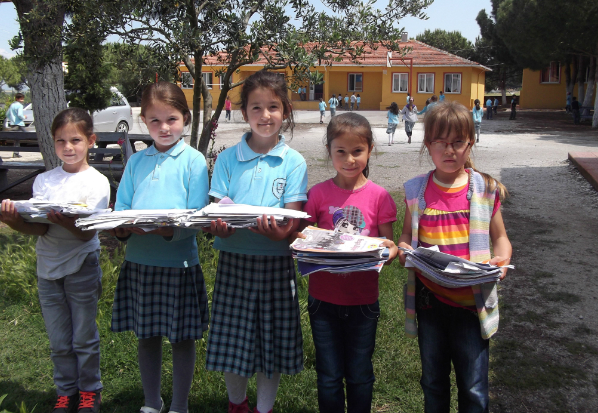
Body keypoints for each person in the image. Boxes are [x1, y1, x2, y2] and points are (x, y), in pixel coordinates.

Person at [397, 101, 512, 413]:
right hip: (430, 303)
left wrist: (499, 263)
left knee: (474, 387)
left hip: (471, 307)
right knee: (433, 381)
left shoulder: (485, 189)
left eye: (457, 142)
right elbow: (406, 236)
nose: (449, 151)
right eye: (440, 143)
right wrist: (405, 251)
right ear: (427, 145)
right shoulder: (416, 191)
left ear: (470, 143)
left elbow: (500, 239)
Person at [204, 70, 308, 413]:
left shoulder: (293, 162)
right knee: (233, 340)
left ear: (286, 111)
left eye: (273, 107)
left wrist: (283, 233)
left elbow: (293, 219)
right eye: (256, 108)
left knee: (271, 343)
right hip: (234, 259)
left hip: (275, 264)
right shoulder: (228, 158)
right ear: (243, 112)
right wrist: (218, 226)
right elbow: (217, 208)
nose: (265, 116)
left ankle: (264, 408)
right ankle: (237, 404)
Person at [0, 108, 110, 413]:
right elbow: (38, 228)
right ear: (53, 143)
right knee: (59, 339)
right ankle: (65, 390)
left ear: (91, 140)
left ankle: (89, 390)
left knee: (83, 337)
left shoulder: (97, 182)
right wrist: (11, 221)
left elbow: (87, 235)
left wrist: (65, 221)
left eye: (75, 140)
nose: (68, 147)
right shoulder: (44, 181)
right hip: (47, 267)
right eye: (61, 141)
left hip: (82, 264)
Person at [110, 81, 210, 413]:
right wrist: (122, 228)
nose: (163, 127)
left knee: (182, 338)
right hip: (139, 262)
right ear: (144, 121)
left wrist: (167, 229)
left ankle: (180, 404)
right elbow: (122, 207)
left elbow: (196, 216)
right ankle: (152, 402)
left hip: (178, 263)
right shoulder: (136, 162)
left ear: (185, 118)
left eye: (171, 119)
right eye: (154, 120)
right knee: (146, 335)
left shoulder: (194, 161)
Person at [299, 113, 399, 413]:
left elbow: (390, 244)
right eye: (340, 151)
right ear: (329, 150)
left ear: (370, 150)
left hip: (363, 301)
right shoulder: (317, 194)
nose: (349, 159)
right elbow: (305, 236)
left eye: (357, 151)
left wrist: (387, 252)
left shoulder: (380, 197)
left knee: (359, 374)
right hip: (322, 300)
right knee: (328, 375)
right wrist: (308, 240)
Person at [6, 92, 26, 158]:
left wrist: (12, 119)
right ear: (17, 99)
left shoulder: (12, 105)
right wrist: (24, 117)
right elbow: (20, 115)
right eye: (21, 99)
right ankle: (16, 153)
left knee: (16, 139)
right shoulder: (20, 105)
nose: (22, 100)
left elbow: (7, 114)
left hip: (13, 124)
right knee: (30, 135)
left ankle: (15, 153)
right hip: (19, 124)